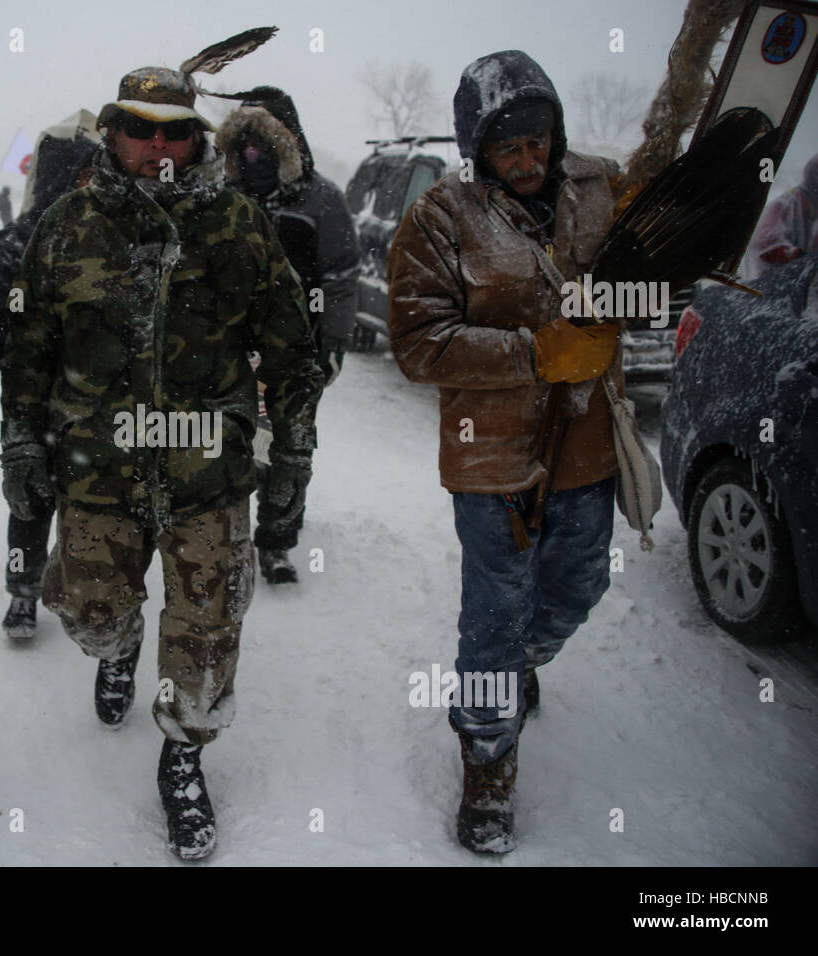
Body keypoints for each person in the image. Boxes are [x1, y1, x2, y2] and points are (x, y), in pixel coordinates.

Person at [0, 65, 323, 860]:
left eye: (174, 129)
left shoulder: (239, 226)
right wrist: (20, 440)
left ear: (196, 138)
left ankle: (183, 756)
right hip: (95, 468)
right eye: (139, 128)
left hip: (206, 474)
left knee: (207, 633)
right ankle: (118, 652)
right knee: (90, 614)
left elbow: (291, 348)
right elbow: (31, 346)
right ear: (110, 133)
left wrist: (292, 454)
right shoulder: (67, 227)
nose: (157, 144)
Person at [386, 50, 623, 854]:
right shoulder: (439, 219)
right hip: (490, 456)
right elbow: (418, 344)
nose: (528, 162)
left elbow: (653, 266)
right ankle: (488, 759)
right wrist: (533, 353)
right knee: (492, 615)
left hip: (586, 444)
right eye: (506, 149)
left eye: (538, 142)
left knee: (580, 584)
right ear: (476, 150)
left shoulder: (599, 187)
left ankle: (526, 660)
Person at [216, 87, 361, 584]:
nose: (254, 158)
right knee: (231, 443)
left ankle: (277, 540)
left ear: (289, 145)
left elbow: (340, 276)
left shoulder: (322, 200)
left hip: (298, 353)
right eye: (245, 148)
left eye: (265, 147)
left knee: (290, 450)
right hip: (230, 353)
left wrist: (334, 343)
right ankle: (224, 535)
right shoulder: (219, 198)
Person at [0, 127, 97, 641]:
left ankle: (87, 592)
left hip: (95, 404)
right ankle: (22, 594)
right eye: (85, 175)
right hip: (29, 400)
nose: (93, 185)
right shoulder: (12, 244)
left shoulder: (106, 241)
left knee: (94, 503)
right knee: (28, 502)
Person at [745, 151, 818, 277]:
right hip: (774, 286)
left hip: (802, 285)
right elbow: (763, 246)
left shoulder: (812, 214)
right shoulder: (785, 206)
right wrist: (796, 255)